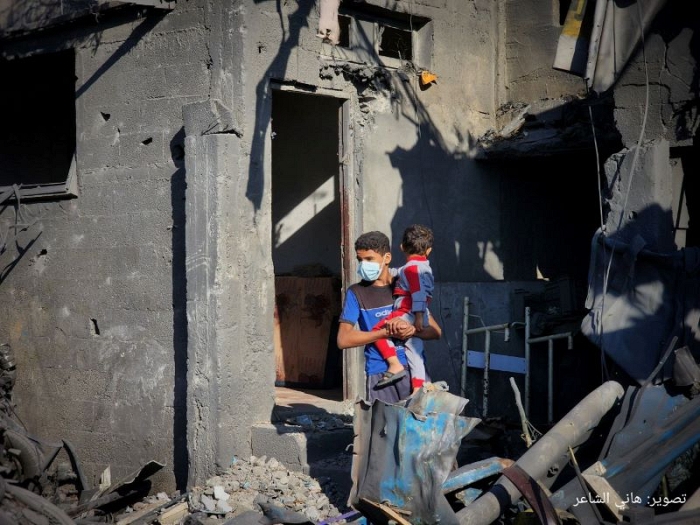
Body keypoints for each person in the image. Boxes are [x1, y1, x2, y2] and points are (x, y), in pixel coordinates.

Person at [336, 231, 441, 403]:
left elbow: (436, 332)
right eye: (360, 260)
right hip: (381, 374)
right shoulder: (356, 293)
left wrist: (412, 330)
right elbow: (343, 339)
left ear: (387, 258)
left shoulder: (404, 285)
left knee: (419, 419)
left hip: (415, 371)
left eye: (369, 259)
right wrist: (384, 333)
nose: (363, 265)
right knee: (383, 421)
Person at [371, 224, 434, 392]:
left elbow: (418, 293)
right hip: (419, 314)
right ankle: (418, 388)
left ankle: (394, 365)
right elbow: (398, 273)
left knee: (378, 331)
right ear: (428, 250)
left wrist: (418, 316)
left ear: (402, 247)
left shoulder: (412, 269)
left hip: (408, 312)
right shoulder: (422, 268)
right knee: (415, 352)